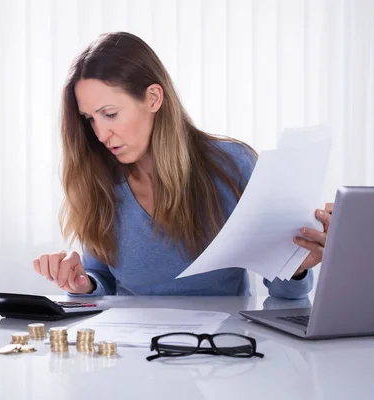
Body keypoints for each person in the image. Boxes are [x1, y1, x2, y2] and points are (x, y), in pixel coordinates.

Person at [32, 31, 333, 299]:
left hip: (223, 349)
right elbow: (102, 280)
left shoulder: (232, 166)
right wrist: (82, 283)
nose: (100, 134)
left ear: (153, 98)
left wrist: (295, 268)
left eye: (109, 114)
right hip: (131, 353)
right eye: (90, 120)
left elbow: (286, 293)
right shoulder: (99, 181)